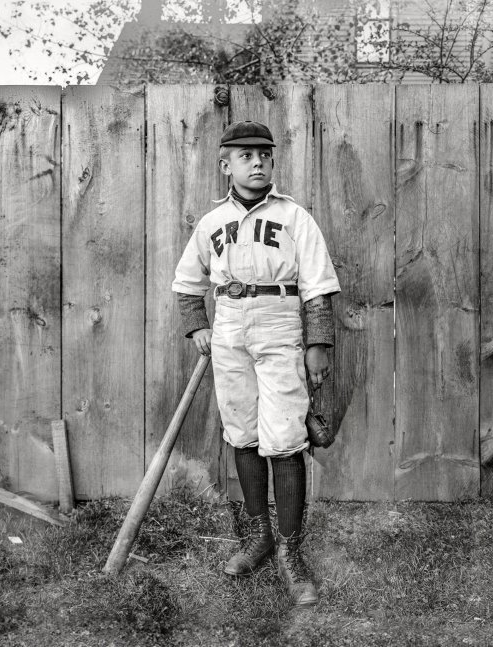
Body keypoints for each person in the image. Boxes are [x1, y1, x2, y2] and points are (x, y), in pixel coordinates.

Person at [172, 121, 340, 607]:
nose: (258, 161)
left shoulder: (293, 216)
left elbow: (318, 284)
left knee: (285, 436)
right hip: (228, 324)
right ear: (226, 164)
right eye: (245, 155)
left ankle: (291, 549)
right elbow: (188, 282)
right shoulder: (210, 223)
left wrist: (318, 344)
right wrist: (197, 326)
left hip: (279, 320)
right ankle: (259, 536)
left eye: (264, 154)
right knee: (241, 431)